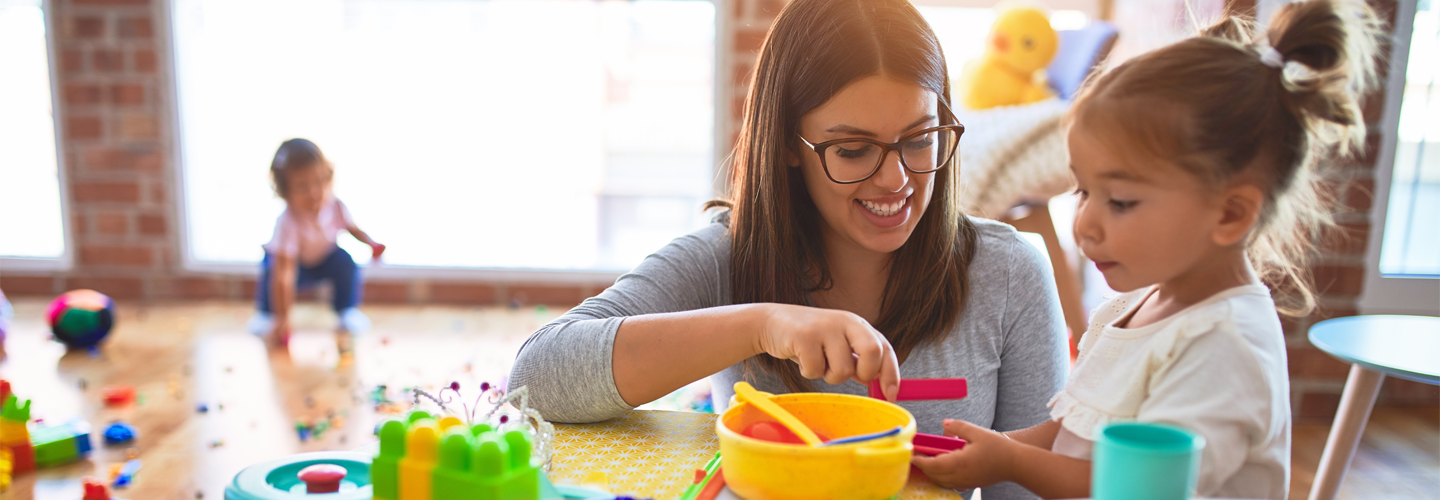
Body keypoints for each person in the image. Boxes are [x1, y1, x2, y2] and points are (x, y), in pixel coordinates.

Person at [510, 1, 1068, 497]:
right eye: (853, 150)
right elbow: (535, 380)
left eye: (920, 140)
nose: (896, 179)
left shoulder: (1010, 272)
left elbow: (1034, 488)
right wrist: (763, 325)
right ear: (787, 146)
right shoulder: (728, 259)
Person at [910, 1, 1384, 498]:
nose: (1085, 224)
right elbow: (1082, 431)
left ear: (1229, 214)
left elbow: (1134, 486)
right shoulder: (1140, 306)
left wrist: (1010, 462)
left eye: (1120, 201)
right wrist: (1000, 445)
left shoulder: (1223, 345)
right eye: (1083, 192)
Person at [247, 138, 385, 345]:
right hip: (294, 265)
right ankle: (269, 314)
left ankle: (346, 310)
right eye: (302, 187)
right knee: (273, 270)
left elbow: (352, 228)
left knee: (345, 262)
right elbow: (284, 275)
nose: (313, 193)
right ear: (285, 190)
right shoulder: (287, 222)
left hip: (324, 260)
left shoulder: (335, 205)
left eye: (319, 182)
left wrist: (371, 244)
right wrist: (284, 318)